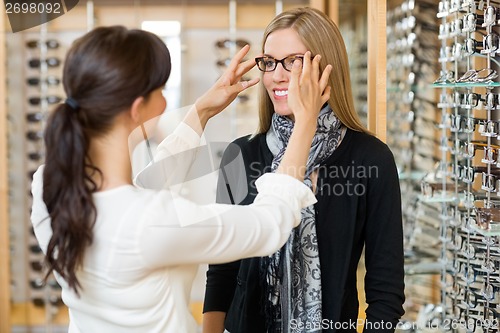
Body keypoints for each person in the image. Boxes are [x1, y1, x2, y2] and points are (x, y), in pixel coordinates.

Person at [30, 25, 333, 333]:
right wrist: (306, 123)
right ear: (137, 109)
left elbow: (140, 195)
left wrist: (200, 112)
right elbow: (270, 224)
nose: (164, 101)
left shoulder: (49, 185)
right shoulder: (152, 221)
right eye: (160, 91)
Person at [202, 7, 405, 333]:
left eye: (294, 61)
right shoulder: (240, 154)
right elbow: (222, 267)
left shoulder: (371, 158)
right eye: (269, 62)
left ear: (326, 69)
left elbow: (385, 286)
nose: (277, 75)